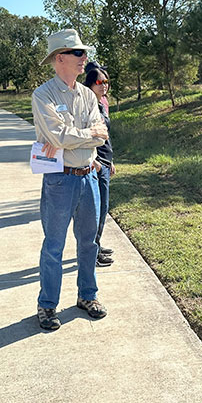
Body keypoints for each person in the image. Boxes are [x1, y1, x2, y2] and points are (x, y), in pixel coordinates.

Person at [32, 29, 110, 330]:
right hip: (59, 181)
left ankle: (87, 296)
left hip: (89, 176)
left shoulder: (89, 94)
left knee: (89, 243)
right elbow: (56, 135)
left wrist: (76, 137)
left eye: (84, 53)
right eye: (78, 53)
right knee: (54, 245)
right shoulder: (43, 95)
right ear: (59, 57)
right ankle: (47, 305)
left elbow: (100, 134)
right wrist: (86, 135)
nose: (84, 59)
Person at [84, 62, 116, 267]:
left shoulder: (101, 103)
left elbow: (106, 136)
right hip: (96, 163)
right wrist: (93, 160)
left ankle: (97, 244)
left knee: (103, 208)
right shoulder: (88, 106)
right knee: (96, 210)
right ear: (90, 84)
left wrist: (110, 160)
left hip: (105, 160)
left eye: (106, 82)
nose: (103, 85)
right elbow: (86, 136)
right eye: (99, 82)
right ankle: (91, 253)